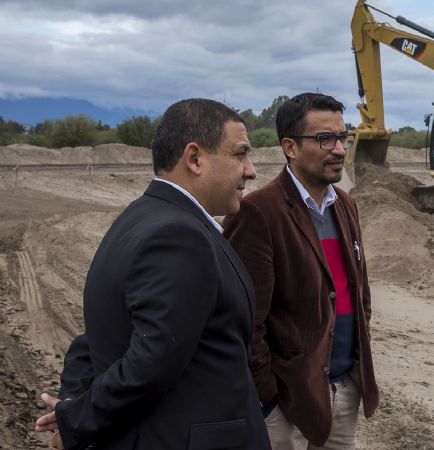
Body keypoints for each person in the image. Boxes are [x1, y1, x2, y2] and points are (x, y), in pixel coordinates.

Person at [35, 98, 270, 450]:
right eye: (240, 154)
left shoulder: (143, 216)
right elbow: (149, 365)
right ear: (194, 159)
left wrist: (74, 408)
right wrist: (76, 422)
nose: (251, 170)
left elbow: (97, 339)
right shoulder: (179, 237)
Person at [223, 92, 379, 450]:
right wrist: (269, 397)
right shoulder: (258, 213)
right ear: (291, 147)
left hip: (343, 389)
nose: (339, 149)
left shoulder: (345, 205)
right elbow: (244, 320)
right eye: (325, 139)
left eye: (343, 137)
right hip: (286, 401)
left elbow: (359, 294)